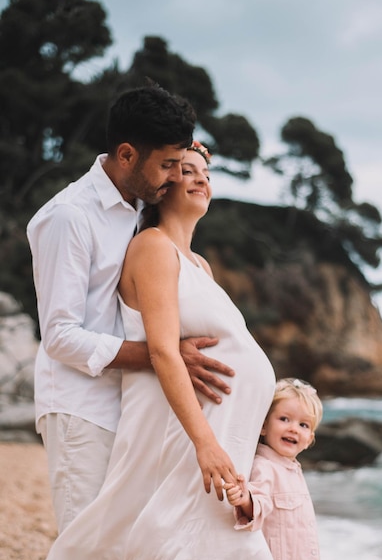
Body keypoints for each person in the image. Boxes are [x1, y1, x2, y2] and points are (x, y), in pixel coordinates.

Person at [30, 143, 278, 560]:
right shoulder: (142, 244)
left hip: (201, 433)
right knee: (111, 553)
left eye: (206, 172)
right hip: (160, 426)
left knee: (184, 558)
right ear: (162, 184)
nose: (201, 178)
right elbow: (161, 349)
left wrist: (189, 152)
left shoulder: (198, 264)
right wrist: (205, 442)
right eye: (183, 170)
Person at [26, 82, 234, 533]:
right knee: (87, 547)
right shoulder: (68, 217)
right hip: (80, 408)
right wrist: (165, 355)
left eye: (180, 165)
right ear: (126, 156)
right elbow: (59, 335)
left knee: (124, 552)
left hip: (133, 405)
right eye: (166, 165)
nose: (176, 177)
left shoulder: (144, 206)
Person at [225, 377, 323, 560]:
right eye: (284, 419)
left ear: (309, 439)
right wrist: (244, 499)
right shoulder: (265, 466)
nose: (293, 428)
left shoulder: (290, 467)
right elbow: (260, 501)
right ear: (263, 425)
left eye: (303, 425)